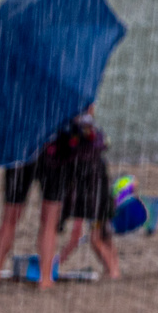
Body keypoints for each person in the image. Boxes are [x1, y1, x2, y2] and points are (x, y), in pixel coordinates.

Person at [33, 106, 120, 288]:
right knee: (101, 232)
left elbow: (76, 235)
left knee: (97, 237)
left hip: (88, 174)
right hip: (94, 173)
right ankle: (113, 271)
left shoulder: (79, 137)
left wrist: (57, 262)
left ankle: (113, 272)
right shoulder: (87, 133)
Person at [0, 155, 40, 287]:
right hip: (50, 154)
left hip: (20, 155)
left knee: (9, 220)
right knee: (49, 221)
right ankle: (45, 280)